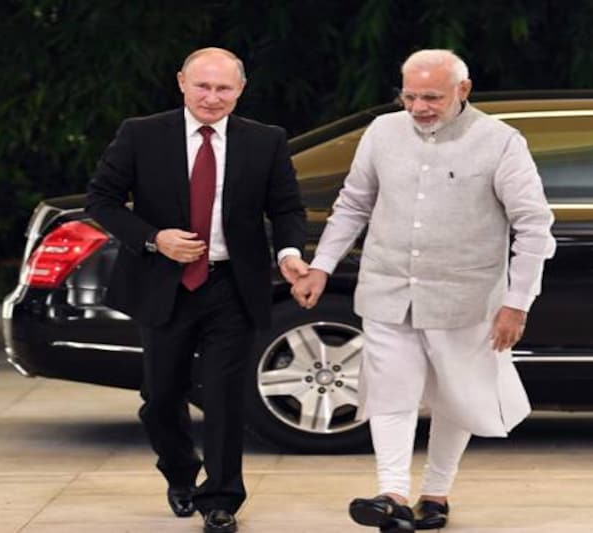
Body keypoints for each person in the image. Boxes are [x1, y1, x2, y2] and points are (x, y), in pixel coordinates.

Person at [291, 49, 555, 532]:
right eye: (409, 95)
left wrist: (517, 303)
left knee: (457, 397)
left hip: (468, 297)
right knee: (391, 393)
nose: (418, 107)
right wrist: (321, 266)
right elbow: (352, 204)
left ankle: (435, 493)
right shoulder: (381, 133)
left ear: (463, 90)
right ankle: (391, 493)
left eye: (431, 97)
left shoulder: (500, 142)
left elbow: (535, 227)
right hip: (387, 288)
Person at [87, 47, 308, 533]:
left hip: (232, 284)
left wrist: (289, 255)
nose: (212, 97)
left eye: (223, 88)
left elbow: (287, 209)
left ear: (240, 90)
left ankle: (222, 498)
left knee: (227, 396)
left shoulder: (265, 140)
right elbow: (101, 200)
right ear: (182, 82)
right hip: (163, 284)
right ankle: (181, 473)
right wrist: (153, 238)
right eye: (203, 86)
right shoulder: (141, 133)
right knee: (162, 396)